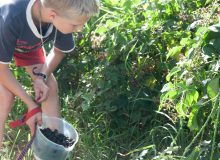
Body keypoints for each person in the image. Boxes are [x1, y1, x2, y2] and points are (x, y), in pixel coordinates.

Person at [0, 0, 99, 148]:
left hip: (26, 46)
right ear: (52, 15)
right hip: (4, 35)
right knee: (5, 96)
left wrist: (41, 77)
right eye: (75, 25)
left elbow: (59, 51)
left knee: (49, 86)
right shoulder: (11, 16)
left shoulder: (62, 13)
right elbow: (2, 72)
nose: (80, 29)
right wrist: (31, 105)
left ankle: (51, 148)